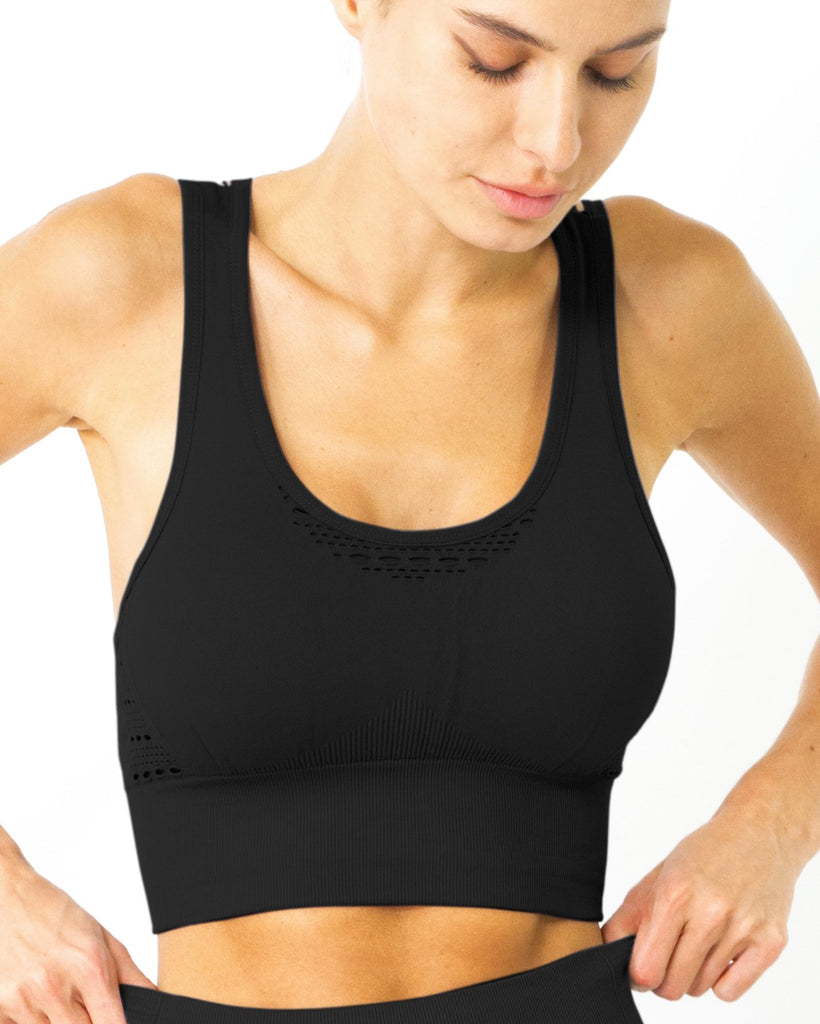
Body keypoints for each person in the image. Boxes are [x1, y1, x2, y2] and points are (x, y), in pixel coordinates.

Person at [1, 0, 819, 1022]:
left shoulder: (668, 301)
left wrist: (773, 821)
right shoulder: (123, 281)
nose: (556, 142)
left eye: (614, 75)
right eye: (493, 60)